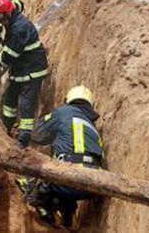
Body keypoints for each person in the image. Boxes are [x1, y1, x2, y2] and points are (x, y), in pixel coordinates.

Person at [17, 85, 104, 229]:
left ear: (68, 100)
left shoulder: (63, 112)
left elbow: (37, 134)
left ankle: (45, 208)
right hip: (94, 186)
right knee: (68, 170)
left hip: (67, 181)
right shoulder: (92, 127)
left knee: (32, 180)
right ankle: (69, 218)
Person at [0, 0, 48, 147]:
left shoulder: (19, 28)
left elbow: (9, 55)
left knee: (26, 105)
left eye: (0, 17)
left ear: (7, 14)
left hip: (32, 71)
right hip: (20, 69)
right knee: (9, 101)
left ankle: (23, 140)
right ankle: (5, 128)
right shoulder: (12, 22)